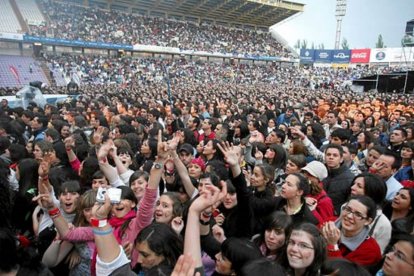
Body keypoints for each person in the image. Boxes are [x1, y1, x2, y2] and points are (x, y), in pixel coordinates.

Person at [322, 195, 382, 267]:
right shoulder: (329, 222)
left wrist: (332, 245)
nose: (349, 216)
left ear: (368, 221)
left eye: (358, 214)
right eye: (348, 209)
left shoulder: (370, 250)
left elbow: (342, 272)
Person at [349, 173, 391, 253]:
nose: (352, 187)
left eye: (359, 186)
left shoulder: (383, 223)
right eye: (354, 184)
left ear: (372, 192)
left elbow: (377, 253)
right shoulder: (346, 207)